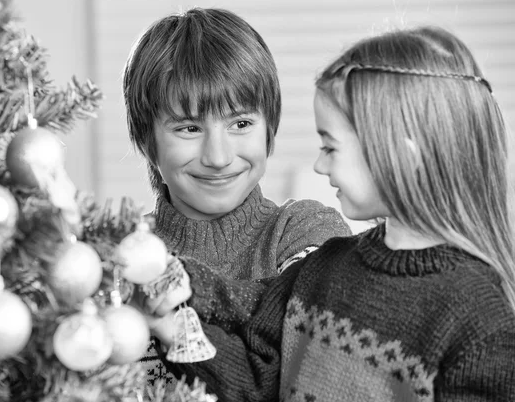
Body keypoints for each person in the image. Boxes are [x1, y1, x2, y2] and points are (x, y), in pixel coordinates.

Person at [143, 25, 515, 401]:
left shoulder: (479, 316)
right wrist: (172, 317)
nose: (319, 166)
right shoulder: (328, 266)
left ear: (401, 155)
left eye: (330, 148)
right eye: (189, 127)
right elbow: (256, 372)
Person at [121, 7, 351, 390]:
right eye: (189, 127)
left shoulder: (305, 232)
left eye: (240, 123)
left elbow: (301, 380)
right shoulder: (118, 257)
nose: (218, 157)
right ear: (148, 142)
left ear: (269, 129)